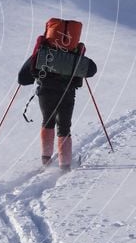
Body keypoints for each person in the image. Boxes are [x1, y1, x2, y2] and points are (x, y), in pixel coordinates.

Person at [17, 20, 97, 171]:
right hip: (67, 93)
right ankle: (65, 166)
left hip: (45, 92)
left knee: (47, 122)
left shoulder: (42, 52)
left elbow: (22, 78)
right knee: (64, 127)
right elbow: (92, 70)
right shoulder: (75, 54)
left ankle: (46, 160)